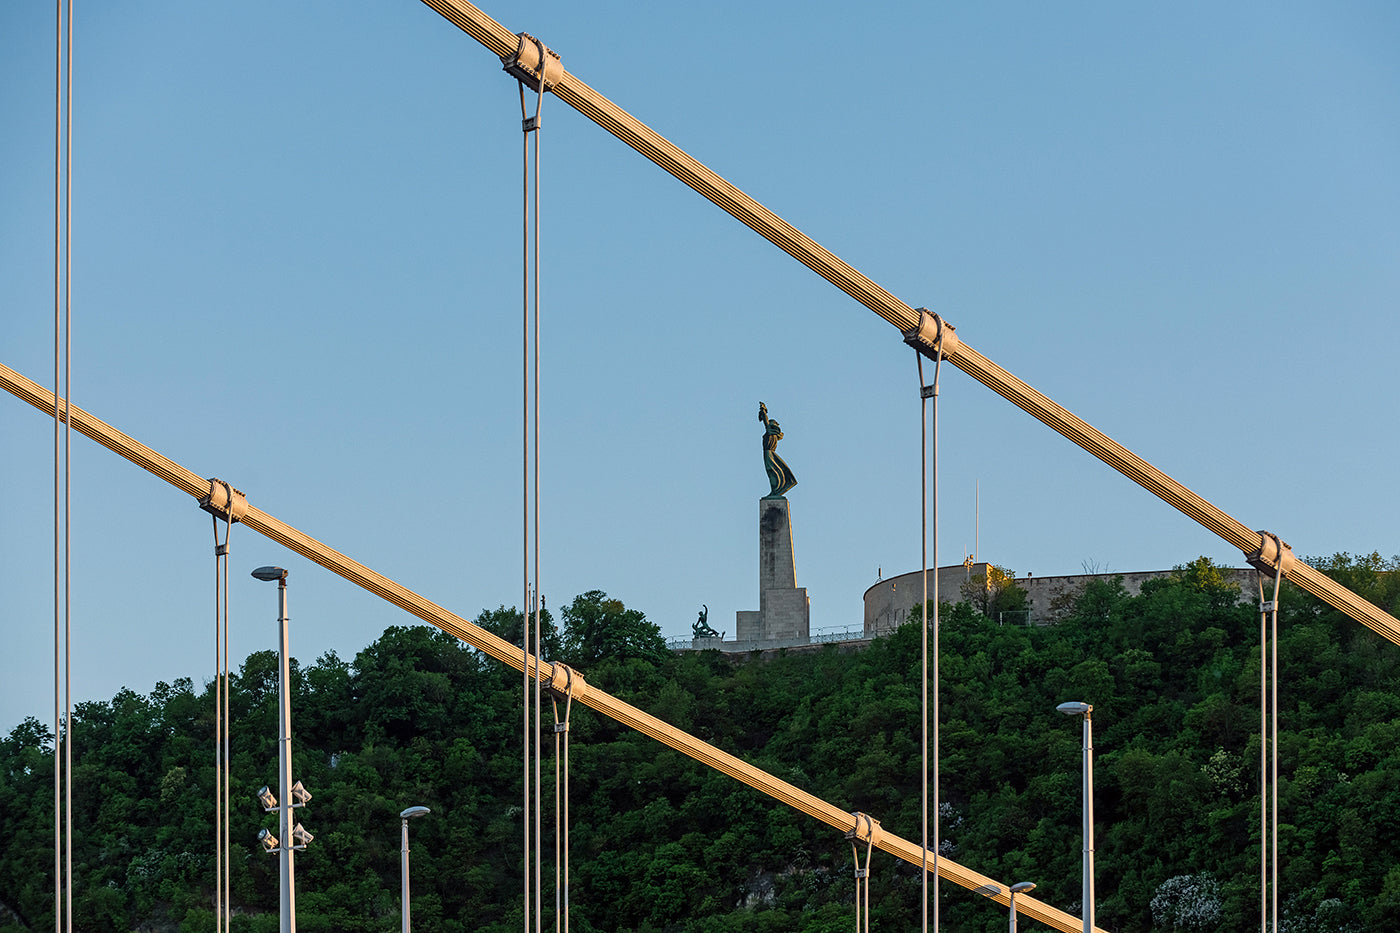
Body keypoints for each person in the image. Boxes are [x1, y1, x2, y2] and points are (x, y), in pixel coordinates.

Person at [758, 402, 797, 498]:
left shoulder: (770, 432)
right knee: (773, 471)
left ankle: (775, 490)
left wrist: (764, 412)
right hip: (770, 453)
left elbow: (766, 422)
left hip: (768, 453)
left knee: (771, 471)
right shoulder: (773, 434)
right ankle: (775, 490)